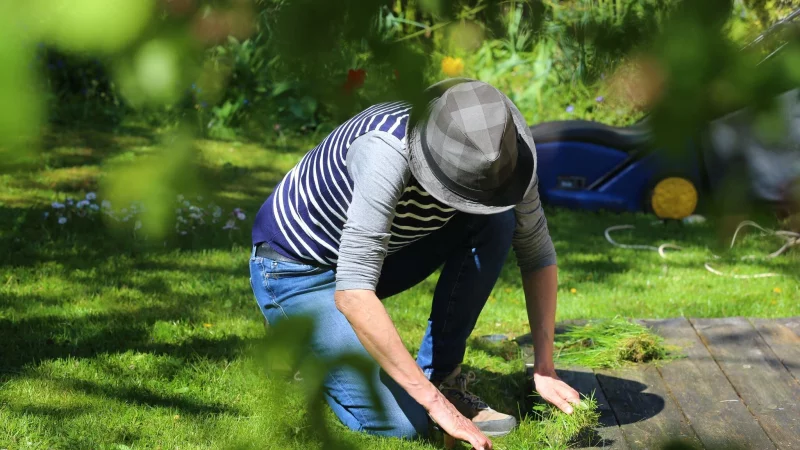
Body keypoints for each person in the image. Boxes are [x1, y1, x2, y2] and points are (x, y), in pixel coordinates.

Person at [249, 78, 580, 449]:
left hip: (380, 257)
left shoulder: (506, 153)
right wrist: (436, 407)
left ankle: (441, 375)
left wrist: (545, 368)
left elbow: (537, 253)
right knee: (403, 425)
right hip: (298, 268)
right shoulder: (385, 152)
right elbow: (354, 292)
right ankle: (300, 330)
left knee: (498, 220)